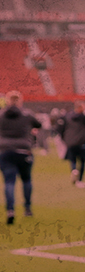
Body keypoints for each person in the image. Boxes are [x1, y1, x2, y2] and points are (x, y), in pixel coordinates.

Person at [1, 91, 40, 225]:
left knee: (9, 181)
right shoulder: (27, 114)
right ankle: (27, 208)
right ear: (20, 101)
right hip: (24, 150)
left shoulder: (1, 115)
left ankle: (10, 210)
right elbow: (38, 125)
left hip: (5, 151)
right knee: (26, 179)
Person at [60, 102, 85, 188]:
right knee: (82, 162)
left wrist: (65, 139)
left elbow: (61, 129)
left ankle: (74, 170)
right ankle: (79, 180)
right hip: (81, 142)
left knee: (73, 160)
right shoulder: (84, 118)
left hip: (70, 142)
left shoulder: (67, 117)